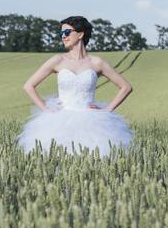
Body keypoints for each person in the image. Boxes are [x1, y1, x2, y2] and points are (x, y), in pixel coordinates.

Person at [16, 15, 134, 156]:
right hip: (59, 120)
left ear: (80, 34)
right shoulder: (57, 60)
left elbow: (126, 87)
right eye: (61, 34)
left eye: (66, 32)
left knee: (95, 158)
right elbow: (29, 86)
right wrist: (46, 109)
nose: (63, 37)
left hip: (92, 122)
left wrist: (107, 110)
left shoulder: (97, 63)